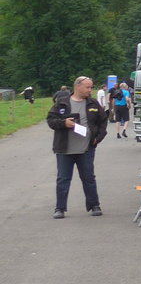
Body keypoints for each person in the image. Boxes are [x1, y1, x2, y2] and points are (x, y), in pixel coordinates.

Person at [46, 76, 109, 218]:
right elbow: (50, 121)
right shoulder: (62, 103)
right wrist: (64, 123)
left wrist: (97, 139)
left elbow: (103, 122)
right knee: (63, 179)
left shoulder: (93, 103)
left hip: (86, 149)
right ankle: (60, 208)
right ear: (78, 86)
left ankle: (94, 205)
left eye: (91, 87)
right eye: (87, 87)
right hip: (64, 149)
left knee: (88, 178)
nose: (90, 90)